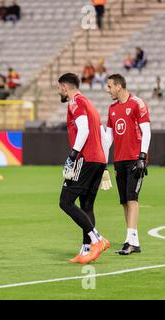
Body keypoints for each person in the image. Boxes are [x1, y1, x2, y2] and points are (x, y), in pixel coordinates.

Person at [57, 73, 111, 264]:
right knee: (87, 204)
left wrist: (72, 155)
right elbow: (104, 136)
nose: (59, 92)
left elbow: (84, 129)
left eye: (59, 89)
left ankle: (97, 239)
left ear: (65, 87)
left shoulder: (75, 102)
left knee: (65, 202)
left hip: (84, 158)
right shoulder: (90, 104)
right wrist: (104, 165)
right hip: (97, 159)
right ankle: (86, 249)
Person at [105, 73, 151, 255]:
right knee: (124, 201)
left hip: (134, 159)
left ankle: (130, 242)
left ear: (118, 86)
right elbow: (108, 137)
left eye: (109, 87)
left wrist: (142, 156)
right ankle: (132, 241)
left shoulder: (137, 104)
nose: (108, 90)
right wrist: (102, 158)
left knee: (132, 199)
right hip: (119, 160)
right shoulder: (112, 109)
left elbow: (146, 131)